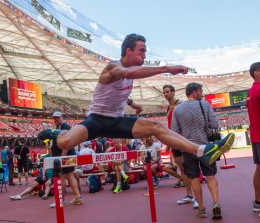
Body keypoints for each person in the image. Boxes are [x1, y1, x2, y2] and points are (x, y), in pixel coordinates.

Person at [38, 33, 235, 184]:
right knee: (65, 142)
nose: (145, 54)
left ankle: (202, 151)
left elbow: (120, 91)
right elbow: (125, 73)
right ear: (129, 52)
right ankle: (56, 132)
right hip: (97, 119)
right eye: (142, 50)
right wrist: (166, 69)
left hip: (117, 120)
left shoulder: (127, 75)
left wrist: (132, 104)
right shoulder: (112, 68)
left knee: (155, 127)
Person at [171, 82, 222, 219]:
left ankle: (202, 208)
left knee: (194, 178)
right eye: (200, 91)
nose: (202, 93)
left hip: (188, 148)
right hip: (205, 147)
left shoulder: (177, 109)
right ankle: (216, 202)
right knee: (210, 175)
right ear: (194, 92)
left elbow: (174, 132)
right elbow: (215, 125)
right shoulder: (205, 105)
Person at [163, 84, 196, 207]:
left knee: (189, 168)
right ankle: (189, 195)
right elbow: (170, 125)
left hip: (182, 140)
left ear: (173, 92)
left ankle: (197, 196)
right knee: (182, 168)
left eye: (167, 92)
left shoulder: (180, 105)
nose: (165, 94)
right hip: (173, 140)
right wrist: (168, 142)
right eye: (164, 92)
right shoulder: (168, 107)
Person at [49, 112, 82, 207]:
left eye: (57, 118)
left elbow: (67, 143)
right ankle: (77, 197)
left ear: (61, 118)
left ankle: (61, 200)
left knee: (62, 177)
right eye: (54, 118)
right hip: (67, 155)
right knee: (70, 175)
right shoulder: (59, 128)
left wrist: (62, 157)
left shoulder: (65, 127)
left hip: (65, 156)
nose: (55, 120)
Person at [247, 62, 260, 215]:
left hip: (256, 136)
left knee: (259, 169)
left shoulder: (252, 90)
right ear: (257, 72)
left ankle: (258, 202)